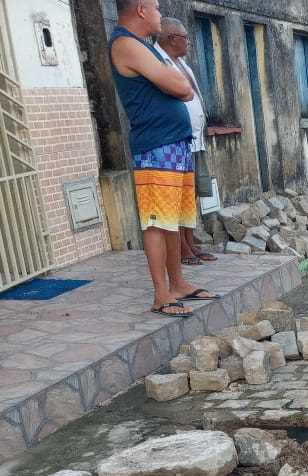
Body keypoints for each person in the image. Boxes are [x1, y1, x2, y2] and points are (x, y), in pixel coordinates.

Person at [109, 0, 215, 318]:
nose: (160, 14)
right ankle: (161, 295)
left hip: (174, 144)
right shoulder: (126, 43)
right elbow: (181, 86)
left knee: (174, 220)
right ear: (141, 9)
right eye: (155, 8)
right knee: (157, 222)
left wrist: (176, 87)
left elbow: (183, 88)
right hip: (156, 147)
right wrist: (175, 87)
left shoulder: (145, 46)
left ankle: (178, 284)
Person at [158, 17, 216, 266]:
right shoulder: (159, 63)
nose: (189, 43)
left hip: (195, 141)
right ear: (172, 39)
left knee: (192, 195)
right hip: (178, 141)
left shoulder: (181, 64)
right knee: (179, 197)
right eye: (185, 38)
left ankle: (191, 244)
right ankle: (182, 248)